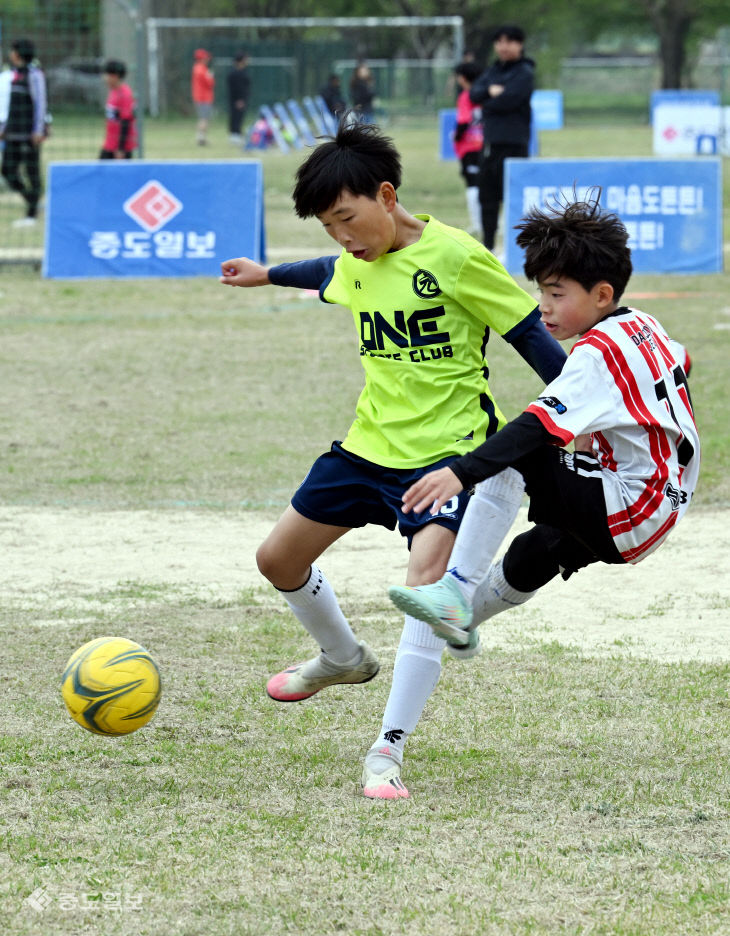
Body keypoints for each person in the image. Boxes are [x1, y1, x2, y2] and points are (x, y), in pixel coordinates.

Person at [219, 122, 566, 799]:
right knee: (277, 560)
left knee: (424, 590)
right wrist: (267, 276)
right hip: (365, 448)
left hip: (445, 455)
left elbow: (529, 334)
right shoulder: (355, 259)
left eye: (347, 219)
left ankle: (388, 749)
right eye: (328, 226)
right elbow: (330, 273)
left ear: (386, 195)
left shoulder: (459, 258)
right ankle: (343, 658)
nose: (342, 238)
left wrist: (581, 404)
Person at [389, 195, 699, 662]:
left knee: (517, 451)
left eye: (557, 295)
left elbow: (534, 428)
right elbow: (682, 360)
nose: (544, 308)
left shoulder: (596, 352)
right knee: (536, 551)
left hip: (629, 508)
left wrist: (461, 473)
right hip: (665, 504)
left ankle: (455, 589)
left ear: (601, 295)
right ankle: (464, 620)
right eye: (541, 293)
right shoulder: (644, 325)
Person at [470, 25, 534, 252]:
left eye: (509, 41)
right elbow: (473, 93)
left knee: (513, 198)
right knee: (487, 196)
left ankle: (516, 249)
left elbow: (510, 100)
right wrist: (490, 93)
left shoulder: (524, 72)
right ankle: (488, 247)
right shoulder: (493, 70)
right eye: (499, 41)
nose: (503, 46)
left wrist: (489, 100)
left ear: (520, 44)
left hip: (514, 143)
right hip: (490, 144)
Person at [0, 37, 48, 228]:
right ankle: (33, 201)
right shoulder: (13, 75)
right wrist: (4, 129)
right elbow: (10, 106)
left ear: (18, 54)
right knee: (7, 171)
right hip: (12, 133)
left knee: (32, 173)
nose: (10, 54)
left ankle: (31, 215)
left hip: (29, 135)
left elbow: (40, 104)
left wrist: (38, 129)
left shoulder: (34, 75)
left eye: (13, 51)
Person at [453, 62, 484, 237]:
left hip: (470, 147)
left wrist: (457, 137)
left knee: (473, 185)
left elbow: (464, 121)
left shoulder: (466, 96)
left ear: (463, 78)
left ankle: (477, 223)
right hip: (486, 146)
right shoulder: (486, 94)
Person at [99, 59, 137, 159]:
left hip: (120, 148)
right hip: (110, 144)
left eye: (106, 75)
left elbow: (126, 122)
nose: (104, 78)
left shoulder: (125, 94)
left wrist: (121, 149)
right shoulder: (113, 92)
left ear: (114, 76)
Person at [191, 48, 214, 145]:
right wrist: (211, 76)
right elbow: (209, 83)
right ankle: (201, 139)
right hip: (204, 98)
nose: (208, 59)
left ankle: (201, 137)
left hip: (200, 97)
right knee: (204, 118)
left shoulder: (196, 68)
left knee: (202, 118)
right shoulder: (202, 69)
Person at [227, 50, 250, 145]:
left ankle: (238, 134)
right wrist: (239, 99)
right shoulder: (235, 74)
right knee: (235, 116)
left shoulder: (243, 72)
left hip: (242, 99)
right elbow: (237, 88)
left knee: (240, 116)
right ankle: (234, 135)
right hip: (237, 99)